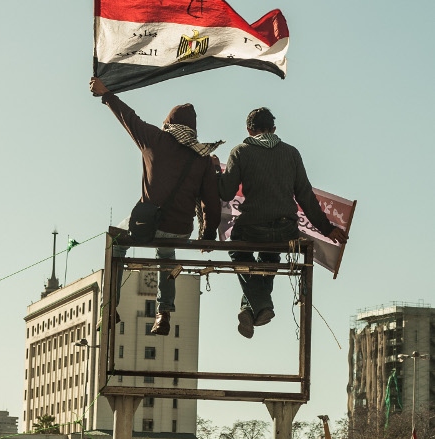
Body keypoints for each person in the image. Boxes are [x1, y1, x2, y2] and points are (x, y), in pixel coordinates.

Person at [90, 77, 222, 336]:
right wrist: (207, 237)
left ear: (169, 124)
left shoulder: (155, 139)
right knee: (166, 255)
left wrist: (106, 94)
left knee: (115, 244)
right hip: (180, 229)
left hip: (146, 226)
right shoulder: (203, 159)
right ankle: (163, 313)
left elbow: (129, 118)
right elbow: (211, 203)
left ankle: (110, 308)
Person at [216, 107, 348, 338]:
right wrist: (328, 229)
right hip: (285, 230)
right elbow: (306, 197)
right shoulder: (291, 153)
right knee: (269, 256)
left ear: (249, 129)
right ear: (274, 129)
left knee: (238, 250)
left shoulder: (241, 152)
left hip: (252, 228)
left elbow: (226, 193)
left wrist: (216, 172)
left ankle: (262, 305)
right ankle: (249, 309)